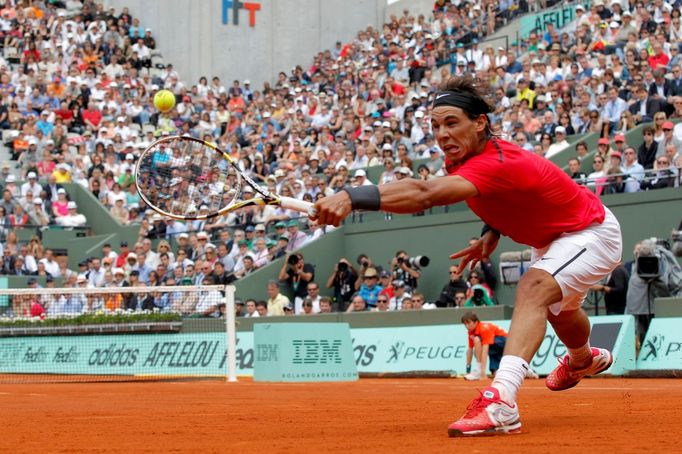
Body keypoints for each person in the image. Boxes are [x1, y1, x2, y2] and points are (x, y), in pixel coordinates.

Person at [313, 76, 622, 437]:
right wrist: (490, 231)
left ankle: (501, 400)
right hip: (554, 238)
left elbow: (425, 193)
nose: (441, 134)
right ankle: (584, 360)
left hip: (591, 230)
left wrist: (352, 197)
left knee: (533, 288)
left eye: (451, 123)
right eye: (435, 126)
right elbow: (502, 198)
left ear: (480, 123)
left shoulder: (497, 161)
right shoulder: (463, 160)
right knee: (562, 313)